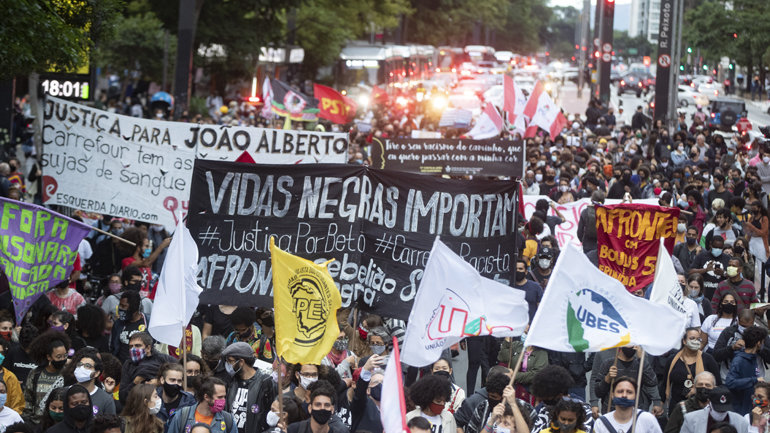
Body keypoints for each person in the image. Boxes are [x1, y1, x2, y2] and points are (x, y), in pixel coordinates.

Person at [222, 342, 276, 433]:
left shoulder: (265, 382)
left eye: (230, 361)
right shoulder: (230, 381)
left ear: (241, 362)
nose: (227, 364)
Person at [665, 328, 722, 413]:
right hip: (676, 405)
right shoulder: (672, 359)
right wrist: (659, 404)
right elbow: (664, 384)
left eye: (698, 339)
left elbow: (718, 384)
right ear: (684, 341)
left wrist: (699, 389)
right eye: (692, 338)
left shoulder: (707, 358)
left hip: (700, 406)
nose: (695, 341)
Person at [594, 346, 662, 415]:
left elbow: (652, 382)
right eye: (629, 344)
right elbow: (598, 393)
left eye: (633, 344)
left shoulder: (640, 365)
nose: (632, 347)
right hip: (611, 413)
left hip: (634, 413)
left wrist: (642, 359)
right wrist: (607, 379)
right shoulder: (608, 364)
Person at [23, 331, 69, 426]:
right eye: (58, 357)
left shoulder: (67, 374)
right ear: (49, 357)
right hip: (37, 424)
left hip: (59, 425)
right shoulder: (35, 374)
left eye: (65, 356)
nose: (62, 359)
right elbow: (27, 400)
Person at [529, 365, 593, 433]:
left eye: (547, 398)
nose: (545, 401)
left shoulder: (583, 408)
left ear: (560, 396)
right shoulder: (542, 408)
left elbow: (586, 430)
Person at [118, 332, 176, 405]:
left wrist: (160, 382)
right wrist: (135, 382)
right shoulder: (128, 365)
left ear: (148, 348)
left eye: (138, 346)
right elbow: (122, 397)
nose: (133, 349)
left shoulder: (164, 359)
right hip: (138, 405)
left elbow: (180, 377)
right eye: (131, 346)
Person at [713, 309, 770, 382]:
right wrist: (732, 348)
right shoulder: (728, 332)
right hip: (730, 379)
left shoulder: (761, 334)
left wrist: (760, 348)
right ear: (737, 321)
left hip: (756, 379)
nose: (745, 329)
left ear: (753, 322)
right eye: (743, 326)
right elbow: (716, 355)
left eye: (749, 327)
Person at [165, 377, 237, 433]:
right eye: (220, 397)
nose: (223, 400)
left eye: (224, 397)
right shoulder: (182, 415)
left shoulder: (227, 419)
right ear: (206, 397)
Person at [593, 377, 661, 433]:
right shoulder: (601, 423)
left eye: (629, 392)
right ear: (612, 396)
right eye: (620, 391)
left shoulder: (648, 420)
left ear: (636, 397)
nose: (624, 395)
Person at [498, 330, 547, 405]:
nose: (524, 335)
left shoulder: (542, 353)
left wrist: (514, 375)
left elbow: (535, 374)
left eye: (527, 333)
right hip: (513, 387)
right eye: (524, 332)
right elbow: (503, 358)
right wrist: (507, 341)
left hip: (529, 391)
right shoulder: (517, 345)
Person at [725, 326, 766, 415]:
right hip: (739, 411)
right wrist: (754, 380)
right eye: (763, 342)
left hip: (749, 408)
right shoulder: (738, 360)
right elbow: (730, 382)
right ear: (758, 343)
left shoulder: (753, 358)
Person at [64, 348, 115, 416]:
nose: (81, 368)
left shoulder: (106, 399)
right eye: (79, 364)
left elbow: (111, 421)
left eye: (87, 366)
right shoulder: (64, 393)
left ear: (96, 373)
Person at [680, 385, 749, 432]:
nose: (721, 413)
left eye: (724, 410)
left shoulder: (741, 422)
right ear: (709, 403)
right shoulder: (691, 419)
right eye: (718, 409)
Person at [110, 290, 150, 363]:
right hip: (122, 365)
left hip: (143, 365)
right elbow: (113, 346)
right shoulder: (118, 323)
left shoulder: (148, 322)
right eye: (120, 305)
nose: (120, 308)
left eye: (124, 306)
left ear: (133, 307)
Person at [689, 236, 731, 301]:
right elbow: (691, 272)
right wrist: (706, 270)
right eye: (715, 247)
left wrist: (723, 273)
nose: (717, 249)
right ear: (710, 244)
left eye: (720, 248)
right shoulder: (702, 256)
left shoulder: (727, 258)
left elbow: (733, 276)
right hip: (703, 295)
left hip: (720, 295)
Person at [350, 354, 383, 433]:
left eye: (383, 382)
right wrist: (366, 369)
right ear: (367, 390)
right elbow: (360, 393)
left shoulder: (392, 408)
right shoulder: (362, 405)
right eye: (375, 382)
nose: (379, 385)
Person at [513, 259, 543, 323]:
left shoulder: (536, 287)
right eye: (516, 269)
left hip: (531, 325)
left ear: (526, 272)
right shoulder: (508, 287)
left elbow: (541, 309)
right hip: (513, 324)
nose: (518, 271)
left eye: (520, 269)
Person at [746, 201, 770, 265]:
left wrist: (751, 226)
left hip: (760, 241)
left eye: (754, 209)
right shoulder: (751, 218)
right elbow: (749, 232)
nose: (753, 210)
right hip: (752, 240)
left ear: (759, 208)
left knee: (760, 263)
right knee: (750, 260)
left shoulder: (764, 218)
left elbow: (762, 233)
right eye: (752, 209)